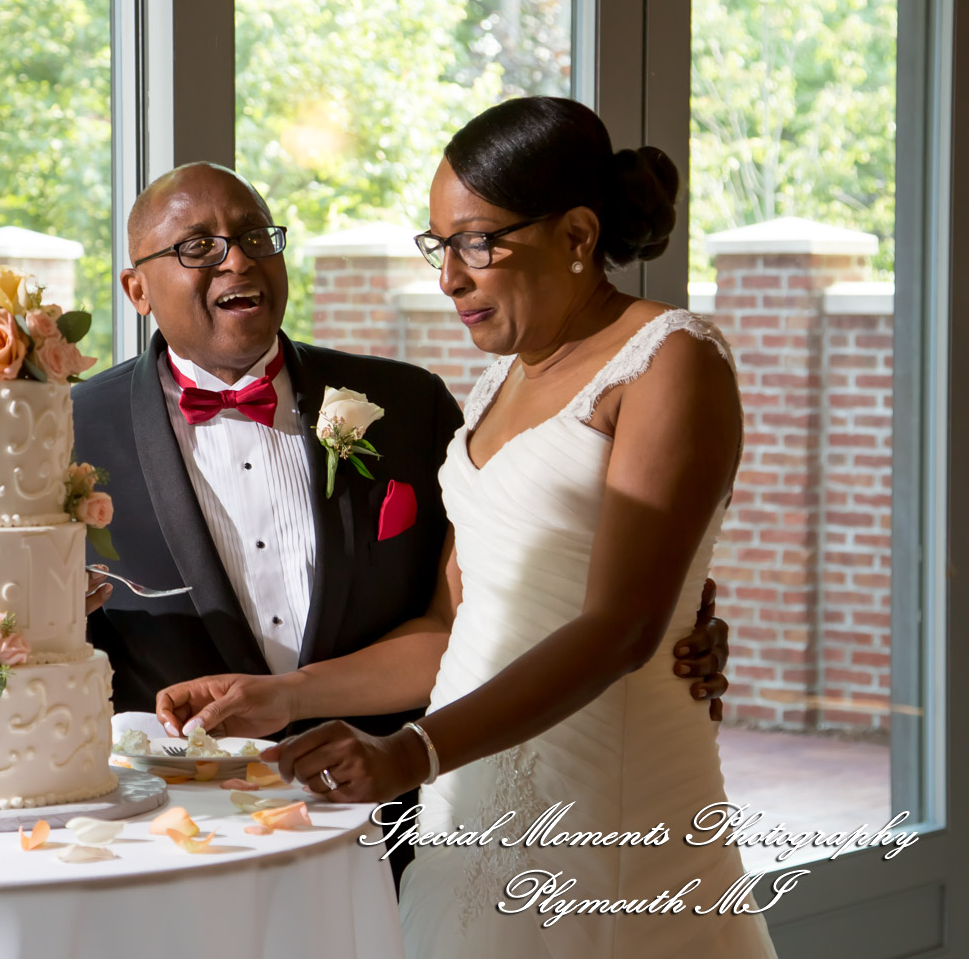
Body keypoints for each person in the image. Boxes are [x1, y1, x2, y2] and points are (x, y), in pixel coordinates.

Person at [154, 100, 777, 956]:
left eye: (477, 243)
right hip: (470, 804)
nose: (449, 277)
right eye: (439, 245)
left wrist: (412, 752)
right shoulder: (494, 389)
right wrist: (282, 698)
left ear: (577, 234)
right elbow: (455, 628)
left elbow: (623, 629)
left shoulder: (672, 361)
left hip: (607, 799)